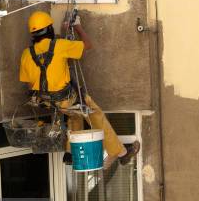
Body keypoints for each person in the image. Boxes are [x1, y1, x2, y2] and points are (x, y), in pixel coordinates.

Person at [19, 10, 140, 169]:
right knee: (94, 113)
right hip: (63, 98)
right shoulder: (60, 45)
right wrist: (77, 27)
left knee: (74, 115)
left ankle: (70, 153)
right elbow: (88, 45)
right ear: (49, 29)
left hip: (45, 102)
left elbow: (28, 84)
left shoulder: (26, 54)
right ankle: (121, 152)